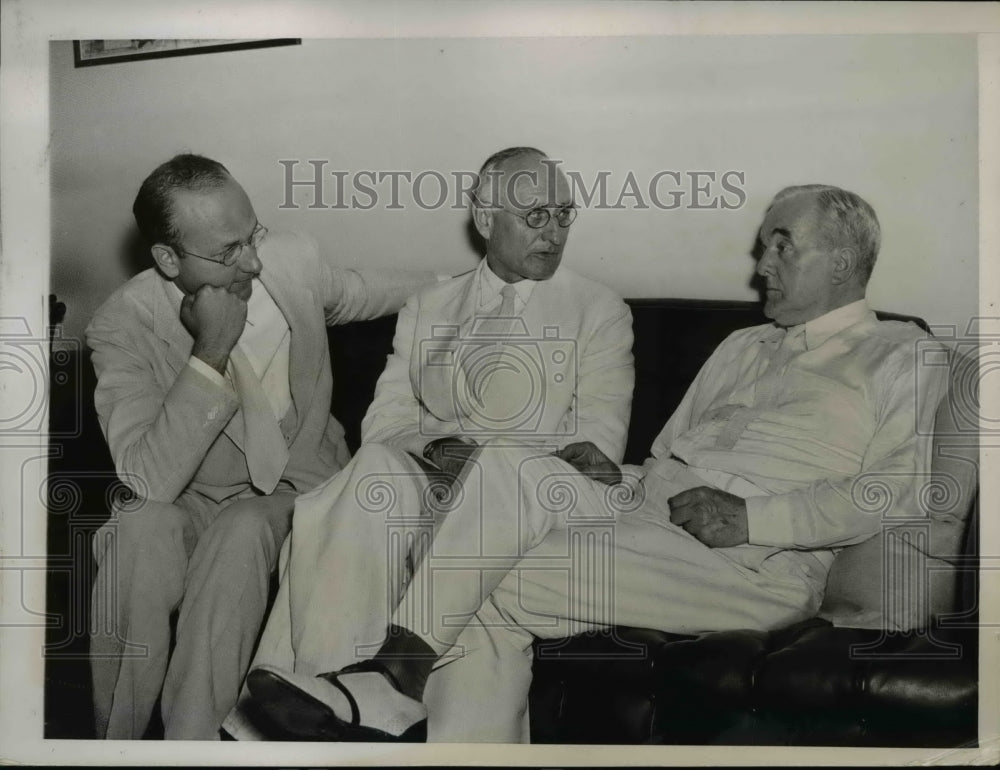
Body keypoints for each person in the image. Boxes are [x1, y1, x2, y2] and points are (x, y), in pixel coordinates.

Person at [239, 183, 950, 743]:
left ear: (845, 261)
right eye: (765, 245)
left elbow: (901, 489)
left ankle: (387, 684)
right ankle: (386, 697)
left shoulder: (902, 352)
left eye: (782, 246)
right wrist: (620, 474)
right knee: (505, 473)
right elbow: (668, 453)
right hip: (650, 517)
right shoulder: (741, 347)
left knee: (476, 569)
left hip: (757, 563)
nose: (761, 265)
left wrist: (753, 518)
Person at [221, 146, 635, 741]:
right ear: (486, 219)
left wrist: (488, 476)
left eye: (564, 215)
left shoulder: (599, 309)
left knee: (398, 521)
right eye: (535, 216)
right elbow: (384, 425)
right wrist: (438, 452)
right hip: (421, 490)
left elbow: (599, 452)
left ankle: (332, 708)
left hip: (525, 508)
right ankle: (334, 694)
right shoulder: (428, 307)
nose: (554, 234)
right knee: (369, 476)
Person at [86, 154, 436, 740]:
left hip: (300, 488)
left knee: (243, 528)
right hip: (194, 495)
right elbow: (148, 480)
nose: (252, 260)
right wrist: (209, 355)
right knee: (134, 530)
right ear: (168, 259)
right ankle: (110, 745)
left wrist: (468, 284)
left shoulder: (291, 261)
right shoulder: (123, 324)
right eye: (228, 252)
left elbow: (359, 292)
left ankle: (191, 743)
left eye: (253, 236)